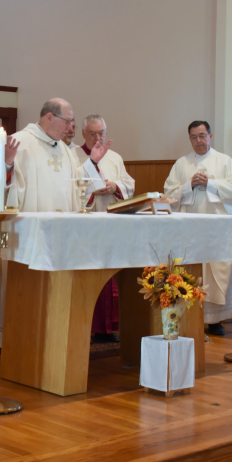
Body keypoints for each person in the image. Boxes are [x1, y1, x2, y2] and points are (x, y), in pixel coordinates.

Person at [163, 121, 232, 336]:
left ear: (210, 136)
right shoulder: (182, 164)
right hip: (189, 228)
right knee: (191, 269)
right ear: (189, 138)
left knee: (216, 269)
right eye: (193, 137)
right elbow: (168, 193)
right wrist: (189, 185)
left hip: (216, 228)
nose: (198, 141)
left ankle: (216, 321)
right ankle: (190, 316)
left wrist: (210, 184)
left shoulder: (224, 161)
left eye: (202, 136)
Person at [0, 98, 109, 213]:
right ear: (49, 117)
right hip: (33, 228)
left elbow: (76, 183)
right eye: (67, 121)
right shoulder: (19, 143)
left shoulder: (64, 150)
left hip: (62, 227)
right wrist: (7, 164)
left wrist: (92, 162)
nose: (70, 128)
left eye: (71, 122)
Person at [73, 115, 135, 343]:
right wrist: (91, 191)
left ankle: (107, 329)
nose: (98, 138)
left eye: (102, 133)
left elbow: (129, 183)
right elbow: (70, 186)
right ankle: (85, 326)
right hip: (84, 227)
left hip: (112, 223)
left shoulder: (115, 158)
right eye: (93, 134)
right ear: (83, 134)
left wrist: (114, 185)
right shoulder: (73, 156)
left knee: (111, 276)